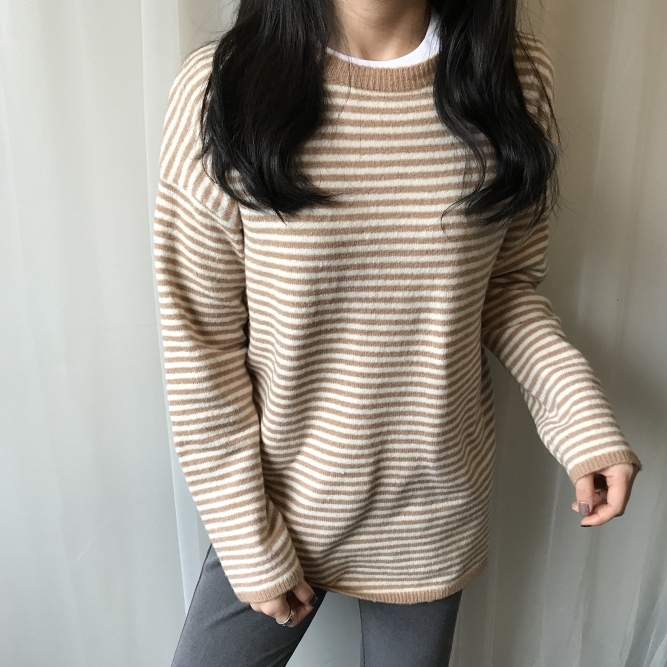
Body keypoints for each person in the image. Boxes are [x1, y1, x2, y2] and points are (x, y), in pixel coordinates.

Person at [152, 1, 643, 665]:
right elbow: (200, 344)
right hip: (280, 508)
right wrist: (247, 539)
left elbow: (503, 290)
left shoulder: (512, 78)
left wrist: (580, 420)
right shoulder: (224, 87)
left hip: (431, 513)